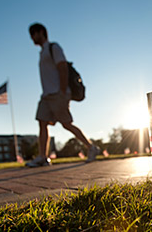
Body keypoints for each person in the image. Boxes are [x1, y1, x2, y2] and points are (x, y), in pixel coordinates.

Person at [26, 23, 100, 167]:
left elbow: (63, 68)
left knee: (66, 124)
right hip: (46, 96)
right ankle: (43, 157)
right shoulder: (41, 53)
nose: (32, 38)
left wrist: (62, 91)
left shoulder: (53, 48)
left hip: (58, 93)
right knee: (42, 123)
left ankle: (91, 148)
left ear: (42, 32)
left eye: (34, 33)